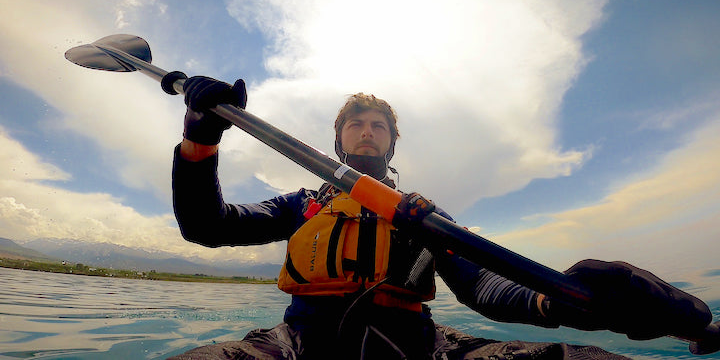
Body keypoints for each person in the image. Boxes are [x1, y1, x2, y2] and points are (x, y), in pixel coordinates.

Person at [167, 75, 712, 360]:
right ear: (337, 139)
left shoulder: (425, 218)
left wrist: (556, 300)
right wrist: (199, 138)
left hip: (420, 345)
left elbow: (486, 289)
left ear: (392, 141)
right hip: (301, 342)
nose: (366, 129)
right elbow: (206, 225)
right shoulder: (300, 205)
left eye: (378, 124)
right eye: (355, 123)